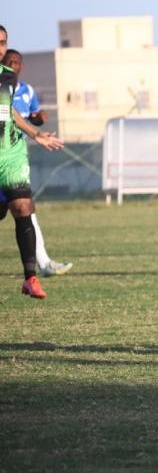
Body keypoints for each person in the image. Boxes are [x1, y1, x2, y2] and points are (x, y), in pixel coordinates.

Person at [0, 30, 66, 299]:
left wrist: (35, 134)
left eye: (3, 43)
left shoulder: (7, 76)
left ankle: (31, 278)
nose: (0, 48)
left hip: (11, 153)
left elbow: (9, 111)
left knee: (24, 207)